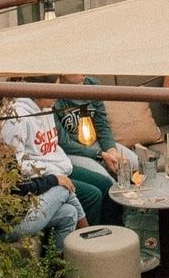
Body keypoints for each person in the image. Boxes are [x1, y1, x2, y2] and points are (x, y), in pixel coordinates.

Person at [0, 96, 83, 250]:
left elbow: (19, 184)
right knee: (62, 187)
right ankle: (88, 238)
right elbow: (18, 188)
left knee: (69, 213)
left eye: (2, 114)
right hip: (6, 225)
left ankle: (59, 270)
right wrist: (52, 180)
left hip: (19, 211)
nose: (2, 121)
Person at [0, 92, 106, 226]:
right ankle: (88, 240)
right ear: (38, 92)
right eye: (51, 91)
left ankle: (112, 236)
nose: (56, 94)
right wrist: (51, 173)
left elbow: (57, 143)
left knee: (105, 184)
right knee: (93, 195)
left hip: (59, 165)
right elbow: (17, 164)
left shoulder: (47, 109)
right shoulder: (17, 119)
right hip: (42, 174)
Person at [53, 76, 128, 224]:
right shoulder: (53, 97)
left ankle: (130, 222)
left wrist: (111, 149)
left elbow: (102, 124)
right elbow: (64, 143)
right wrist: (100, 155)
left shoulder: (92, 85)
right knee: (106, 179)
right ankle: (109, 226)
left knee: (131, 161)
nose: (83, 72)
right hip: (73, 151)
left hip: (96, 143)